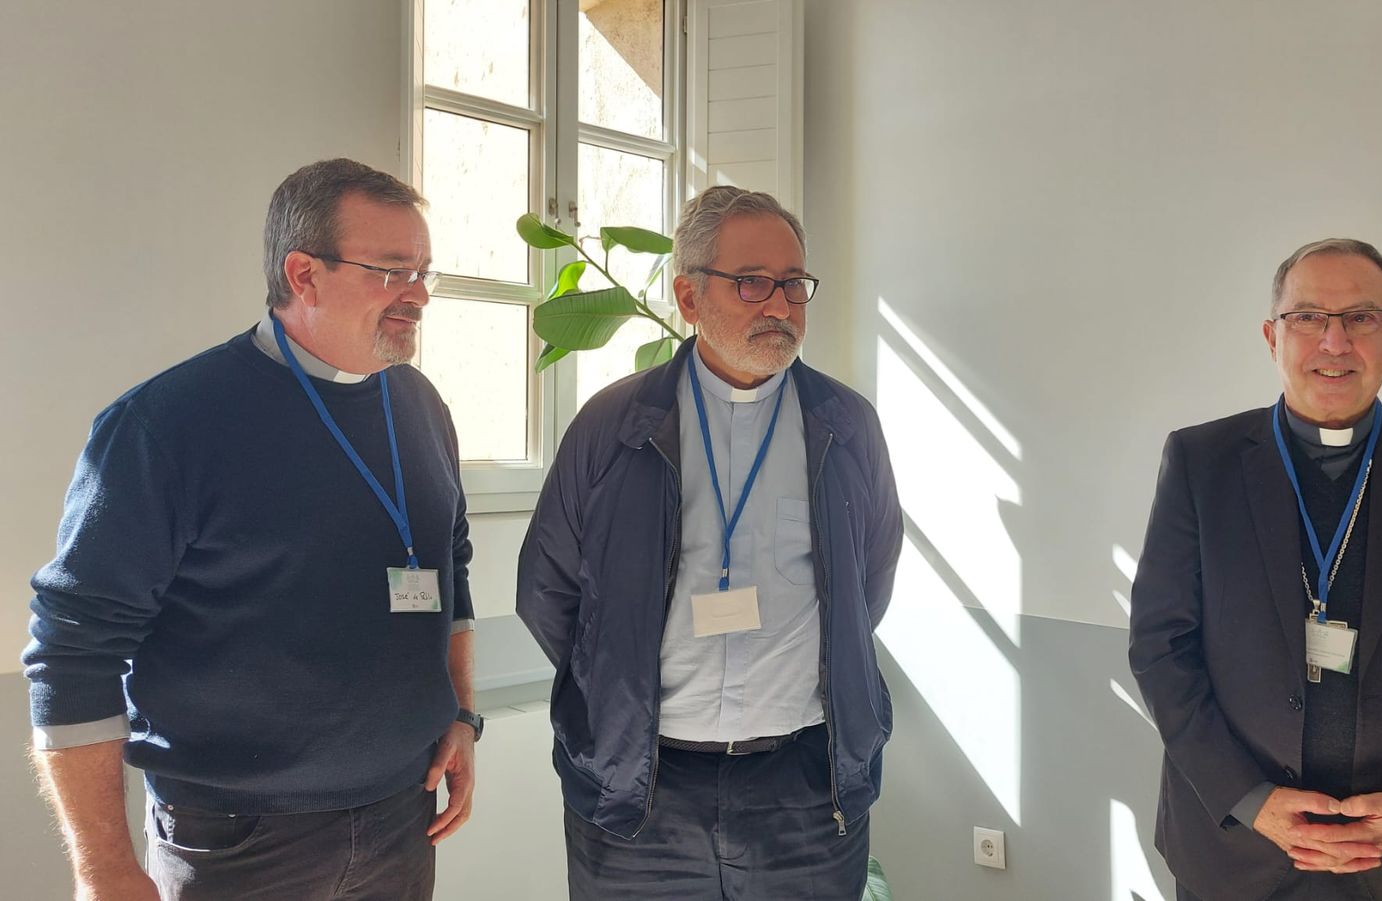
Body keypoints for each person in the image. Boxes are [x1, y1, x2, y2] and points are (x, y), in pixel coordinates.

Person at [22, 158, 481, 901]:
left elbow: (449, 564)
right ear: (304, 275)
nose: (419, 295)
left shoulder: (421, 404)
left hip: (403, 817)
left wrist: (460, 712)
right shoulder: (166, 425)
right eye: (393, 272)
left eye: (426, 271)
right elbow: (72, 649)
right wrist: (102, 867)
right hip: (237, 839)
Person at [1128, 237, 1382, 901]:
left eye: (1361, 317)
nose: (1334, 341)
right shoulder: (1201, 463)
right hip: (1238, 847)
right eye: (1309, 318)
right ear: (1273, 335)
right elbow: (1160, 649)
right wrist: (1251, 798)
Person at [517, 185, 903, 899]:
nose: (781, 305)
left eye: (794, 283)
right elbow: (549, 590)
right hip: (642, 792)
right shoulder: (612, 426)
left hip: (806, 794)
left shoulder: (846, 426)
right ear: (688, 297)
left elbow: (868, 583)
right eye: (753, 281)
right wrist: (612, 688)